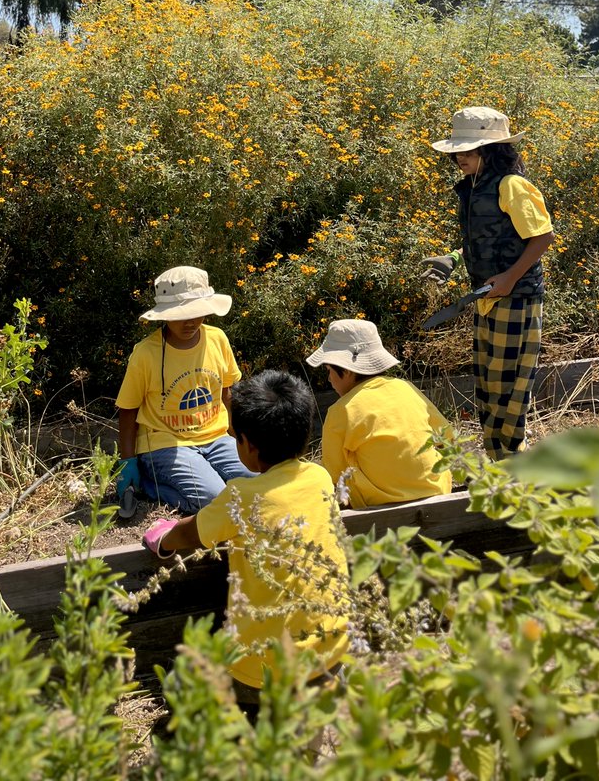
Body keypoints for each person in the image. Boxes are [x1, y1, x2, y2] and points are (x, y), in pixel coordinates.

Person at [141, 370, 350, 720]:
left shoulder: (242, 496)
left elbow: (191, 534)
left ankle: (242, 711)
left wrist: (163, 538)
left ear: (248, 445)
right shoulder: (319, 478)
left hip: (264, 672)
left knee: (178, 680)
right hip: (330, 655)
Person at [422, 106, 555, 459]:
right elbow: (490, 238)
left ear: (492, 150)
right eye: (458, 151)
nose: (460, 157)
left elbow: (542, 237)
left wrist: (510, 278)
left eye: (469, 150)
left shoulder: (512, 185)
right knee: (488, 385)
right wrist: (452, 258)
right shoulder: (474, 186)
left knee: (509, 388)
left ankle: (513, 465)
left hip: (516, 299)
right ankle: (498, 460)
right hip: (488, 297)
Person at [115, 265, 254, 514]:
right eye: (181, 315)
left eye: (196, 312)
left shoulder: (217, 339)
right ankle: (150, 484)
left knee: (260, 484)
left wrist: (241, 437)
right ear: (165, 315)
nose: (190, 321)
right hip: (165, 444)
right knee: (215, 499)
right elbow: (128, 409)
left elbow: (227, 394)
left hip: (216, 438)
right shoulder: (146, 354)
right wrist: (128, 461)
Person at [307, 318, 452, 508]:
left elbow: (335, 476)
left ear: (347, 371)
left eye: (329, 371)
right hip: (437, 495)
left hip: (379, 507)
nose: (329, 379)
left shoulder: (341, 411)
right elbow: (447, 437)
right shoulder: (406, 388)